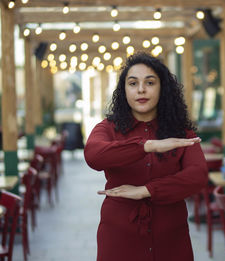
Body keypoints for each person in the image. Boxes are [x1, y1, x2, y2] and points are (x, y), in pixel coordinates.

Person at [84, 52, 207, 261]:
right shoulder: (108, 128)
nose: (141, 89)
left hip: (171, 239)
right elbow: (93, 155)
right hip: (119, 237)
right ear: (124, 90)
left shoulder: (181, 133)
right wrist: (147, 146)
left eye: (150, 82)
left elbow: (198, 176)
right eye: (133, 83)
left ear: (162, 88)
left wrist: (146, 190)